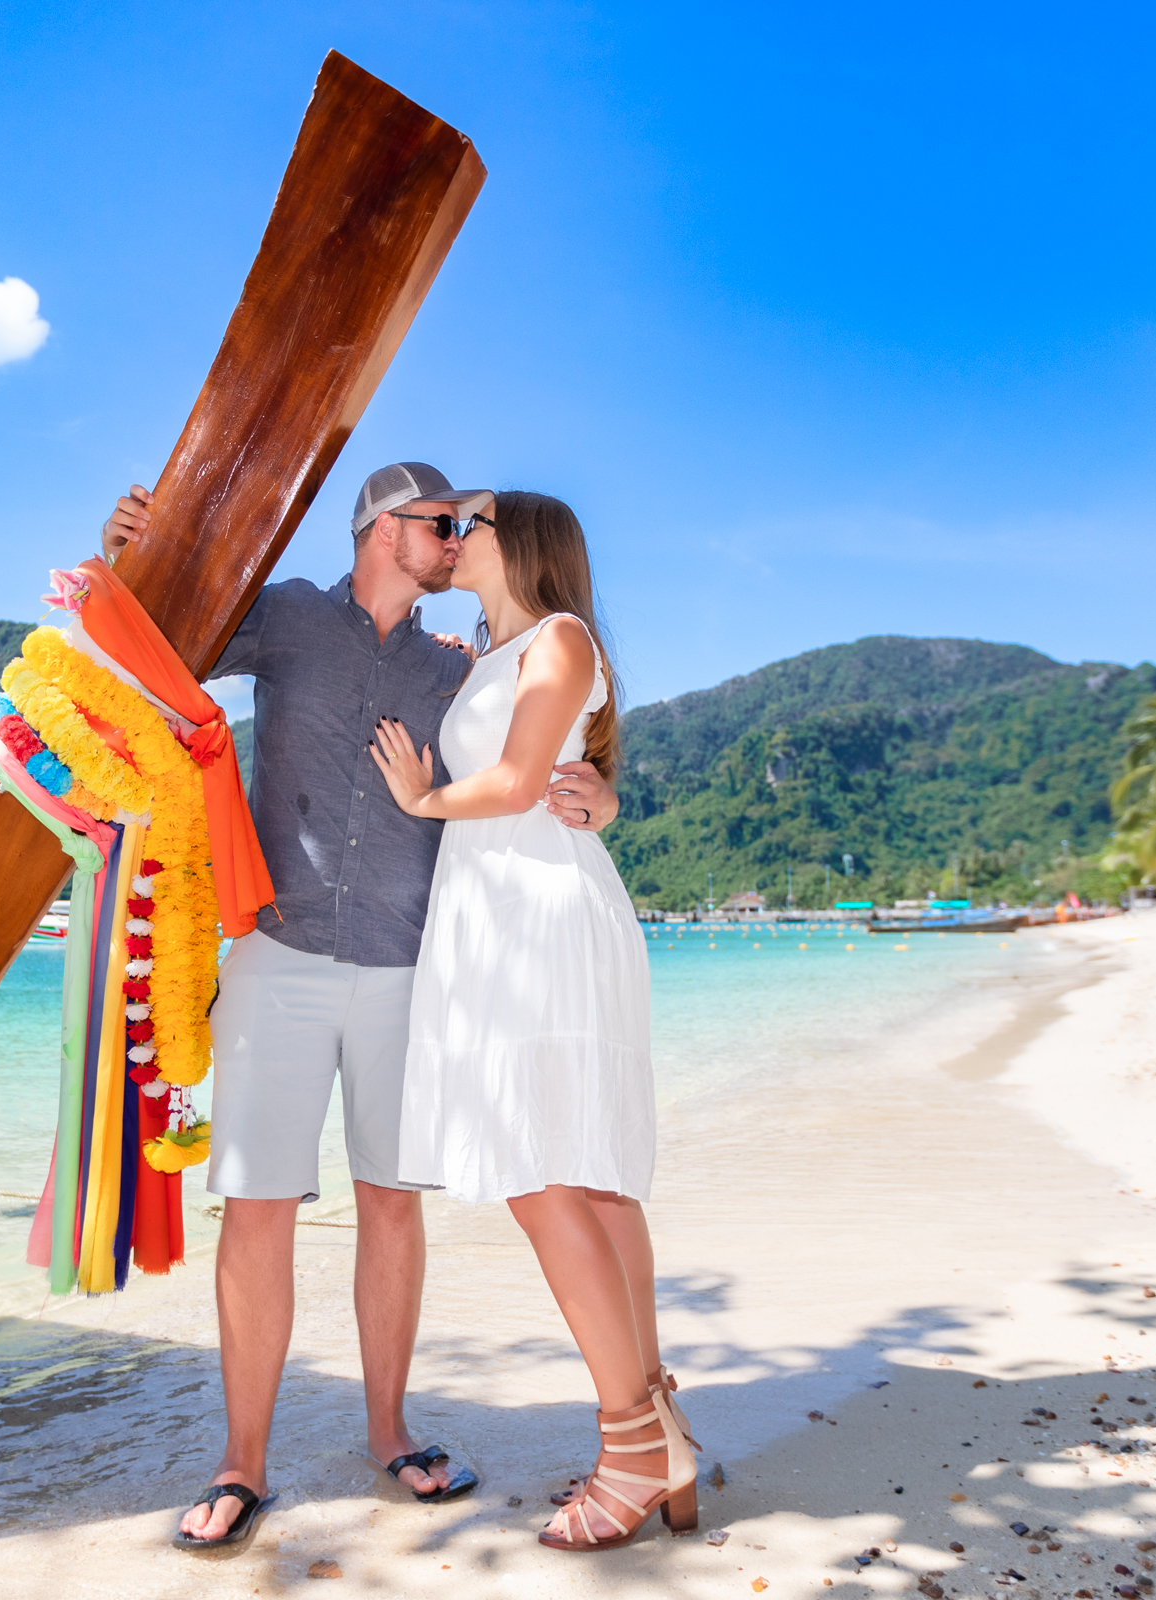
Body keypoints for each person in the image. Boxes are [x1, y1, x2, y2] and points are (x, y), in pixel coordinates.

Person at [100, 463, 621, 1552]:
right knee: (257, 1206)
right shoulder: (286, 616)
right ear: (387, 528)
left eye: (465, 524)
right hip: (276, 953)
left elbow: (544, 746)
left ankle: (390, 1433)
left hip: (411, 970)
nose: (458, 537)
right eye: (444, 522)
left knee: (391, 1201)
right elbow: (159, 644)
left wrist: (600, 790)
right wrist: (132, 550)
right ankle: (243, 1461)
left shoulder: (462, 665)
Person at [368, 490, 694, 1552]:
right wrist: (597, 794)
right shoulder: (493, 650)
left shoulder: (558, 634)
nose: (453, 536)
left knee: (546, 1173)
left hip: (535, 916)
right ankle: (658, 1421)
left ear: (526, 540)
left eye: (470, 521)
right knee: (586, 1177)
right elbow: (556, 775)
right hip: (500, 910)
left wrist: (423, 801)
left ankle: (632, 1442)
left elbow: (513, 783)